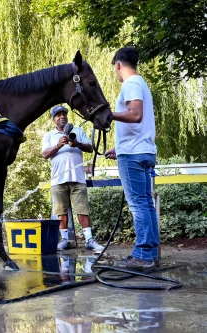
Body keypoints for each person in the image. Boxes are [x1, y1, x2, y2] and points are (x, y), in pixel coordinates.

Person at [105, 46, 158, 269]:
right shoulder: (141, 83)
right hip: (142, 150)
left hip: (133, 155)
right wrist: (118, 147)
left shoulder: (131, 84)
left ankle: (143, 255)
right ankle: (150, 253)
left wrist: (107, 115)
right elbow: (141, 122)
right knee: (145, 203)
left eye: (115, 69)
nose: (116, 74)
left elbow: (135, 115)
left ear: (118, 65)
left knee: (138, 205)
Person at [42, 105, 104, 252]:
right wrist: (58, 145)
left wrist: (77, 144)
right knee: (60, 212)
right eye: (58, 115)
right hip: (58, 180)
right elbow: (45, 154)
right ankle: (64, 240)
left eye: (64, 114)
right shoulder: (49, 136)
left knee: (82, 210)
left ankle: (89, 239)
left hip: (77, 178)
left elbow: (90, 148)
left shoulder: (78, 131)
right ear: (54, 120)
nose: (62, 117)